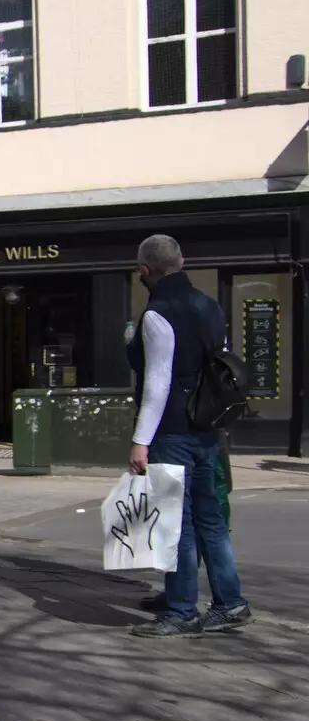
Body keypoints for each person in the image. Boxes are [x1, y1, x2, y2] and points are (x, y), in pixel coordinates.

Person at [126, 233, 251, 639]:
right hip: (207, 428)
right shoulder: (209, 305)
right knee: (210, 519)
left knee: (175, 525)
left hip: (173, 431)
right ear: (182, 262)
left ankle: (182, 610)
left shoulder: (158, 313)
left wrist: (141, 440)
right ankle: (230, 604)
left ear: (146, 270)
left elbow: (158, 383)